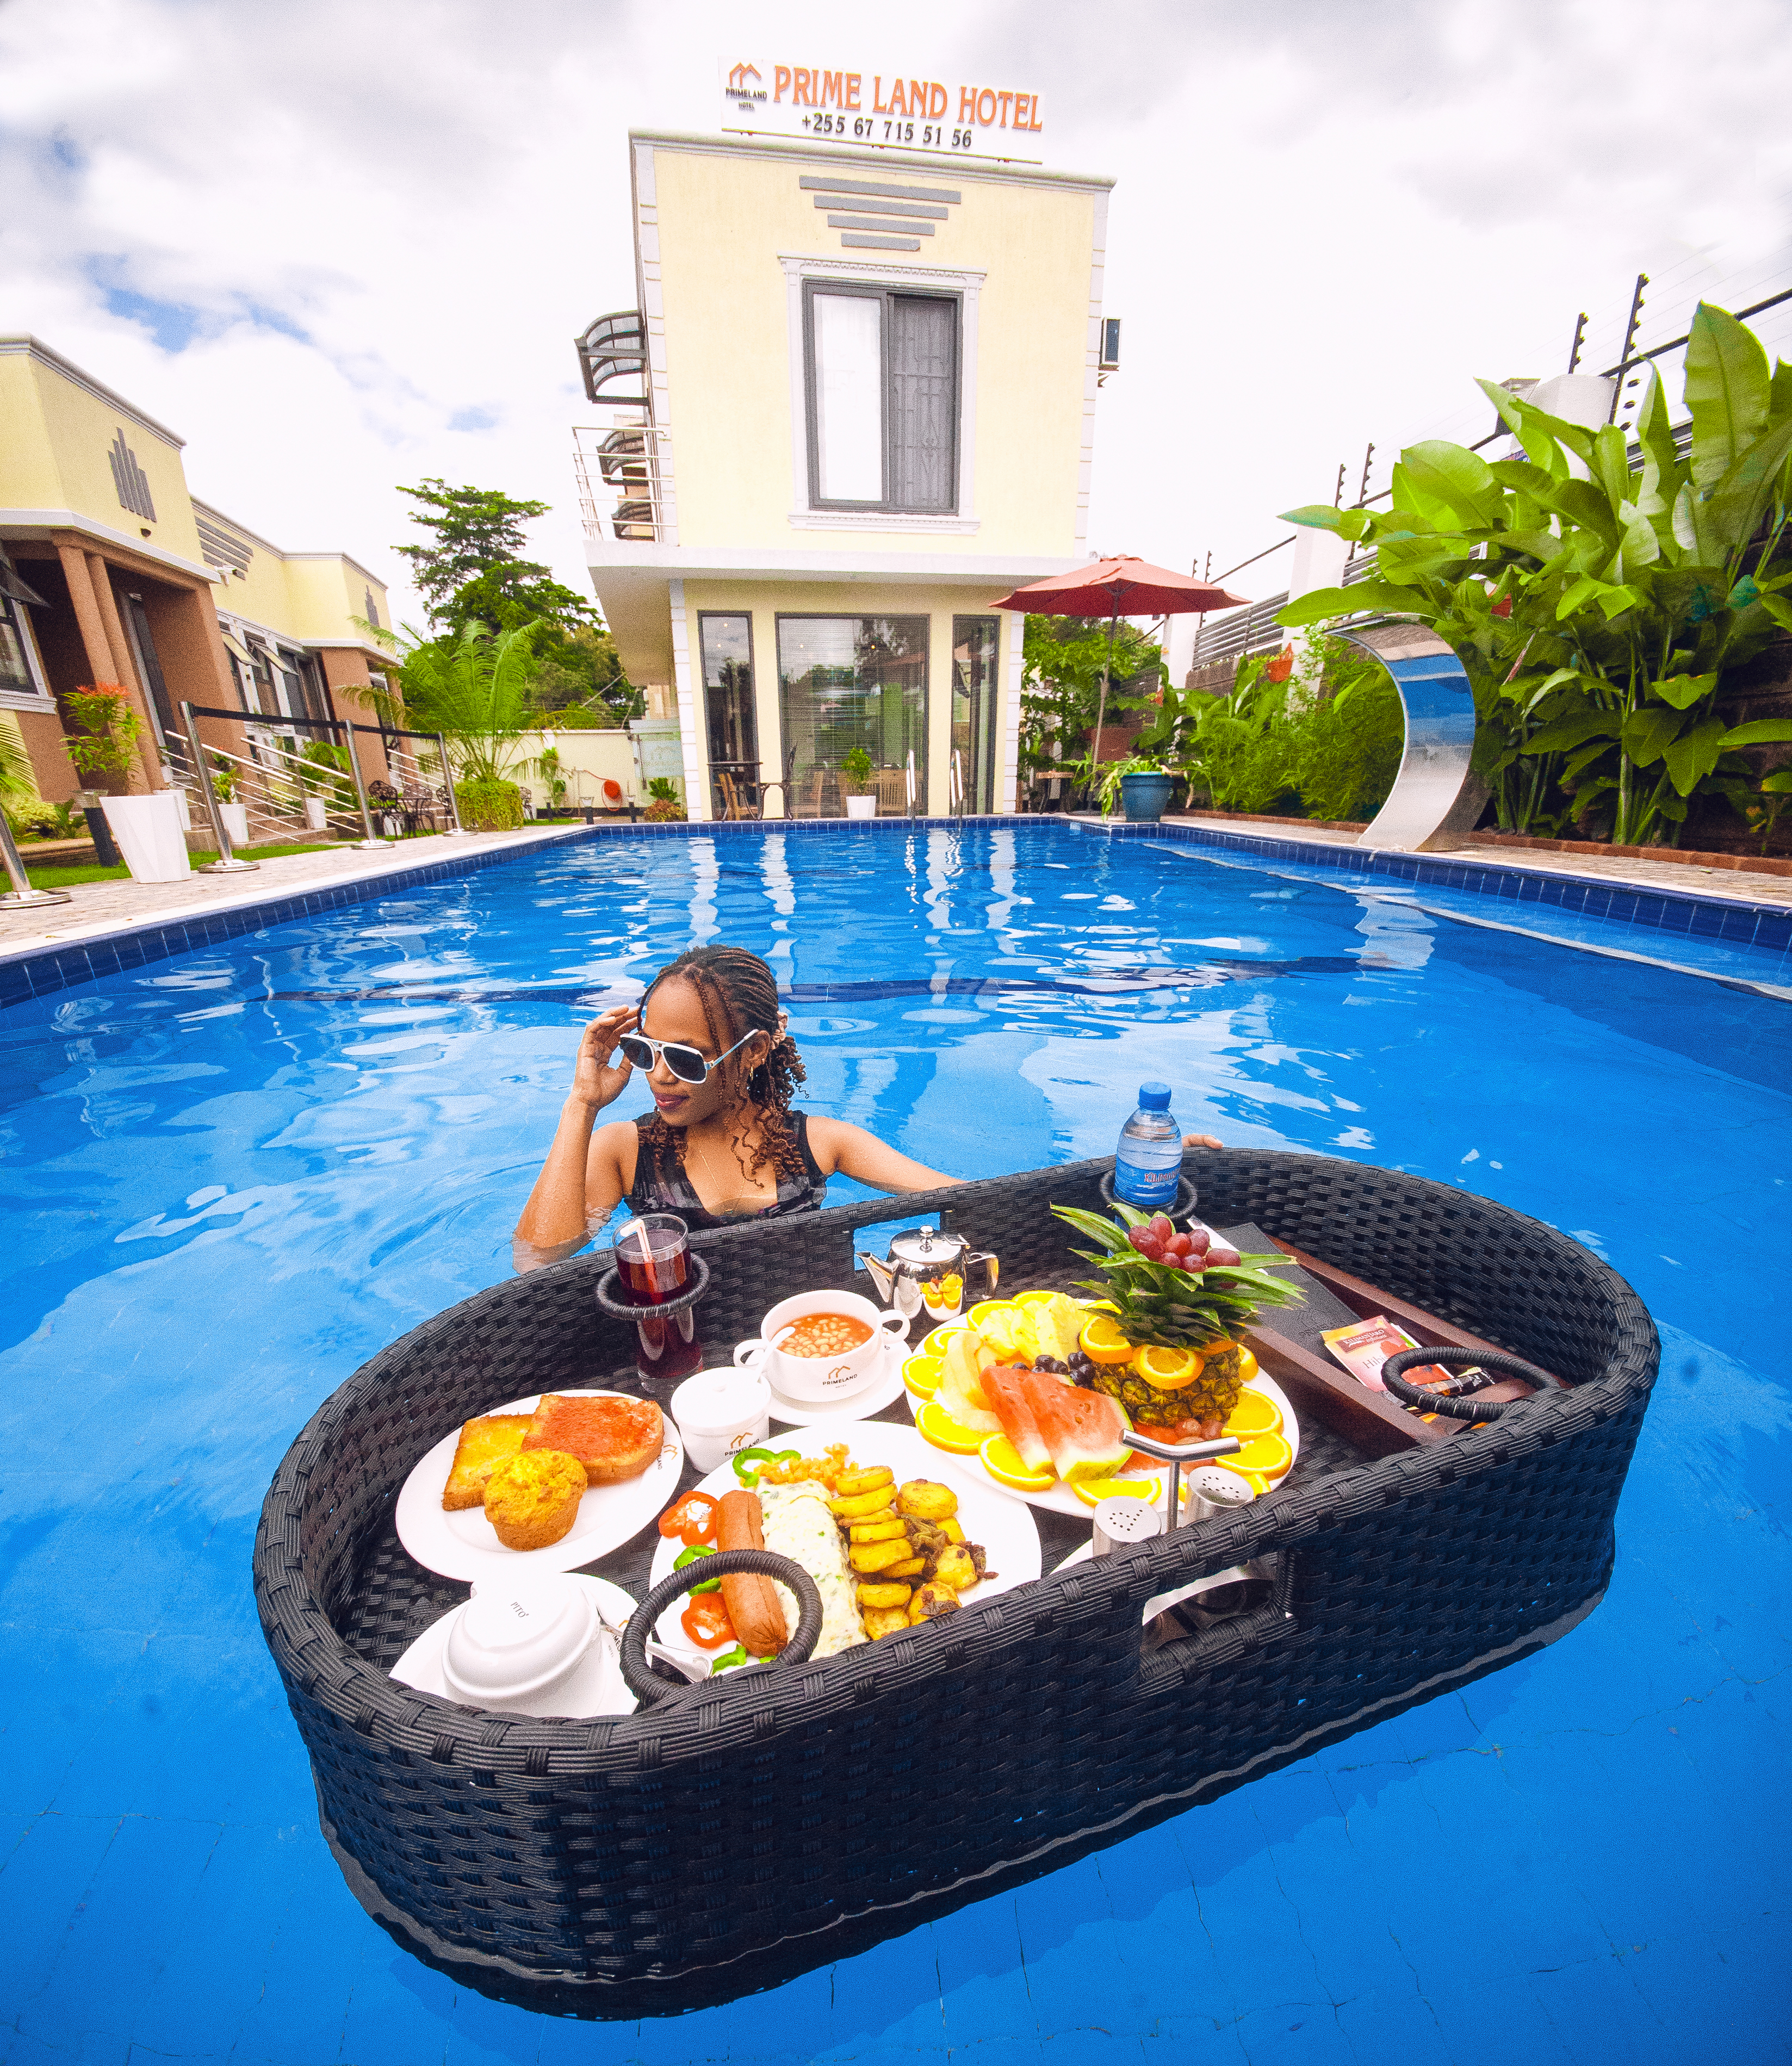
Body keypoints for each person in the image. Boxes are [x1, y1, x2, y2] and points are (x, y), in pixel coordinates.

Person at [513, 944, 958, 1268]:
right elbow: (537, 1256)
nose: (660, 1075)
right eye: (646, 1050)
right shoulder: (626, 1150)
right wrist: (582, 1103)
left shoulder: (821, 1143)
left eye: (685, 1058)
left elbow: (965, 1197)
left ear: (753, 1050)